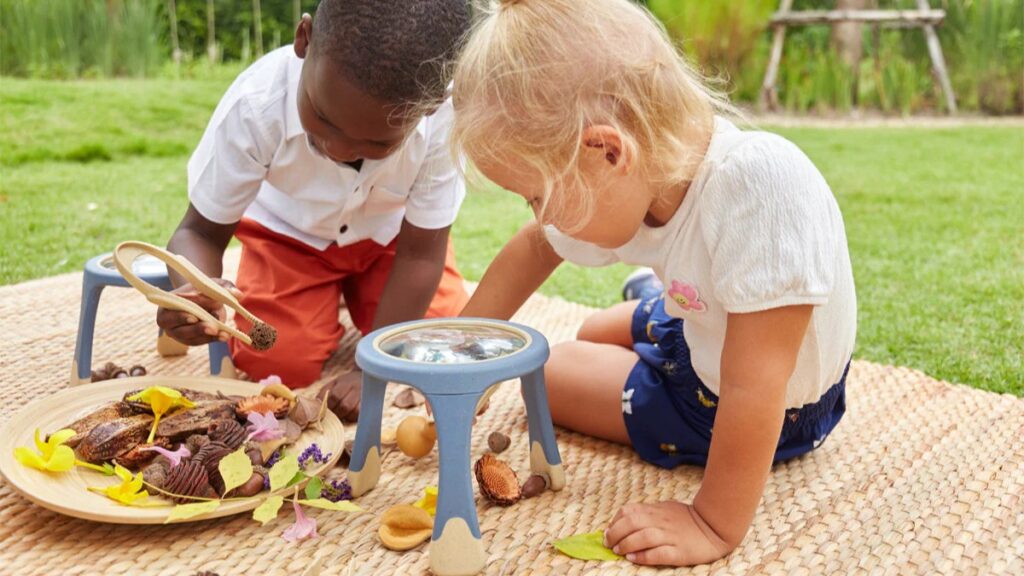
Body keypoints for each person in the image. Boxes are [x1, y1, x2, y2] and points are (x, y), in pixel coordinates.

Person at [454, 0, 857, 566]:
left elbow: (756, 387)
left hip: (753, 403)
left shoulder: (762, 190)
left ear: (608, 151)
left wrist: (711, 523)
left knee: (547, 372)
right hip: (703, 324)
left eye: (537, 196)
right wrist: (466, 354)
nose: (540, 216)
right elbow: (534, 247)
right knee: (597, 327)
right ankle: (656, 300)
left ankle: (657, 305)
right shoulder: (639, 180)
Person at [156, 0, 470, 422]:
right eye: (322, 117)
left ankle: (359, 302)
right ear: (304, 40)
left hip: (393, 246)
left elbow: (421, 255)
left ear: (431, 105)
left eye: (377, 145)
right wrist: (199, 299)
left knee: (439, 350)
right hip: (290, 242)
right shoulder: (256, 104)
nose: (337, 150)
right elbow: (198, 233)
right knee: (276, 362)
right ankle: (325, 302)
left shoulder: (444, 122)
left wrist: (371, 368)